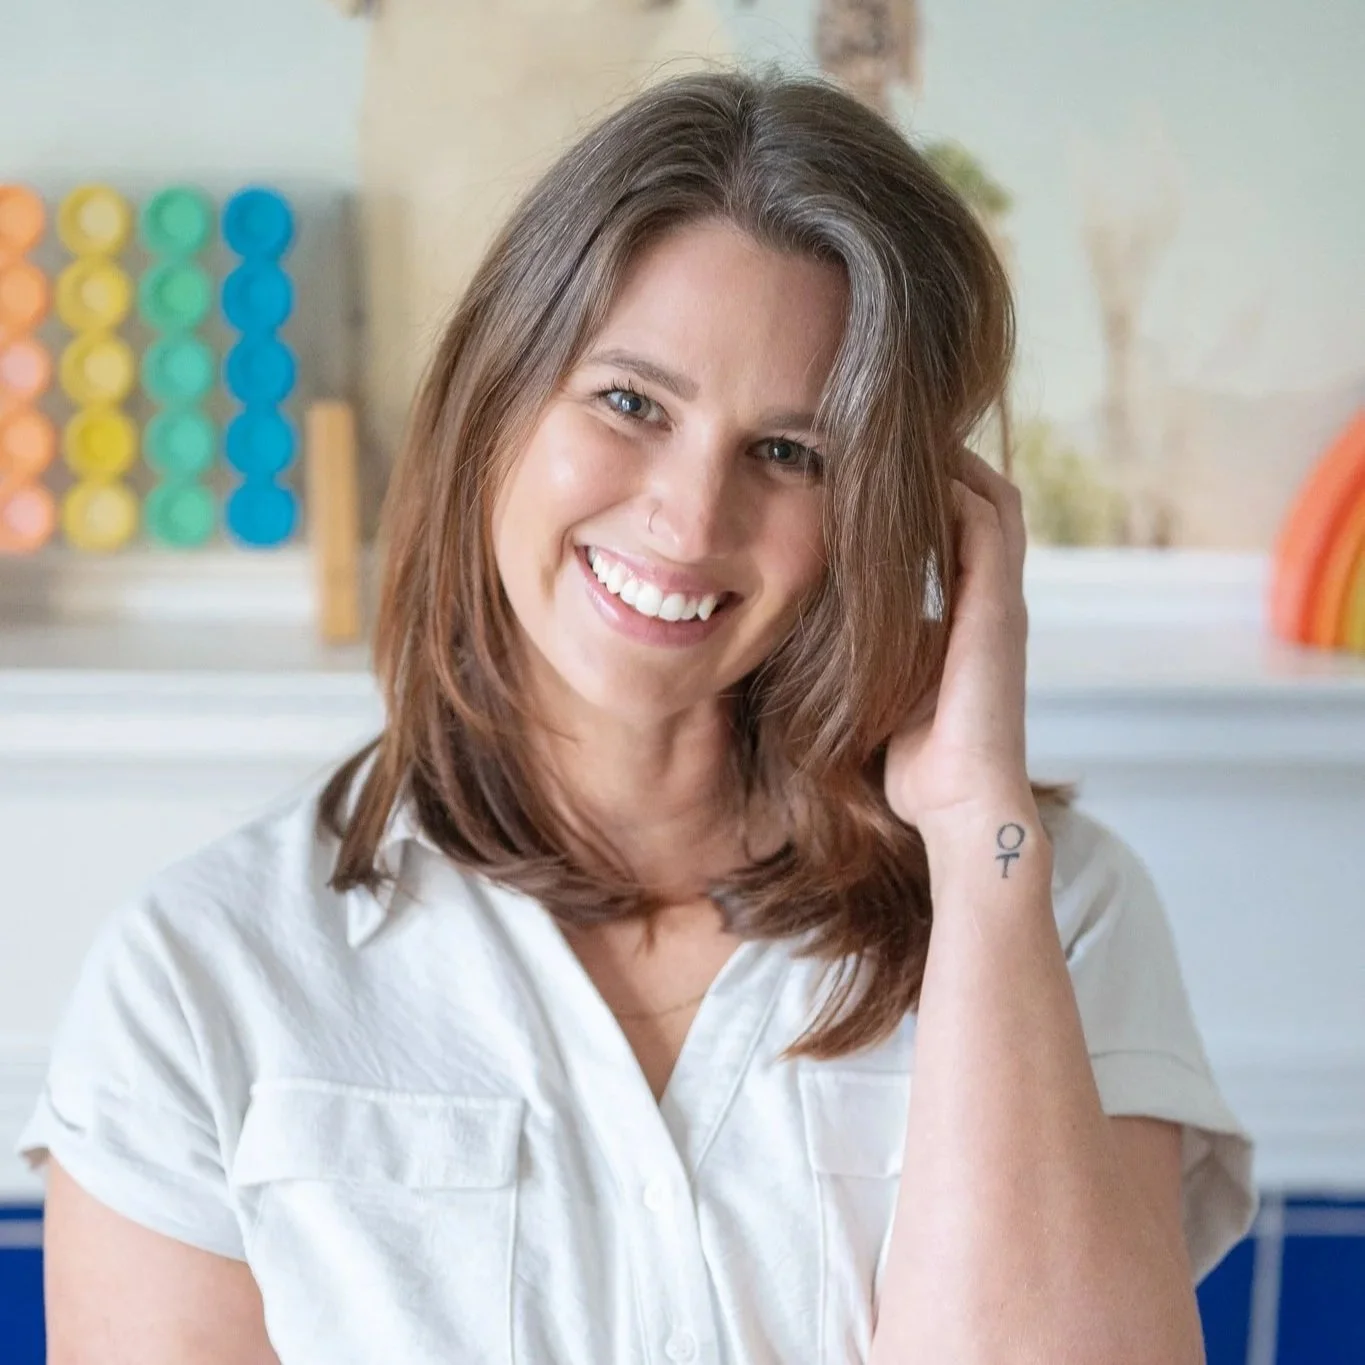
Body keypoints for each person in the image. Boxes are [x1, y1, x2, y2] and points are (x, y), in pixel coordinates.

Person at [19, 67, 1256, 1365]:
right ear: (498, 399)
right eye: (631, 403)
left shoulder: (1054, 917)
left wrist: (979, 834)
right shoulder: (202, 976)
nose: (690, 516)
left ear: (889, 516)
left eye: (794, 452)